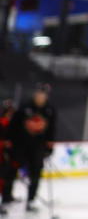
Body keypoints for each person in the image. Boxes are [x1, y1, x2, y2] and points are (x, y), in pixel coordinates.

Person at [8, 85, 55, 213]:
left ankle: (30, 200)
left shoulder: (49, 110)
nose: (40, 97)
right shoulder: (25, 108)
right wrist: (11, 142)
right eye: (39, 94)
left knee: (36, 174)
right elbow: (14, 126)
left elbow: (51, 130)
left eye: (43, 94)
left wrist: (49, 147)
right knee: (11, 172)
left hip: (38, 148)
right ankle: (6, 198)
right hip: (21, 146)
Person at [0, 99, 16, 216]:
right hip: (2, 156)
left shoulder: (12, 124)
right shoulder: (2, 123)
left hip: (7, 157)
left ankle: (7, 197)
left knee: (6, 179)